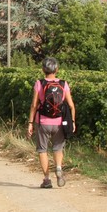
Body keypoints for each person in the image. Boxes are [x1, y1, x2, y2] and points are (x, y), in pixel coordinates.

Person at [27, 57, 77, 188]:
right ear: (57, 69)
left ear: (43, 69)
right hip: (59, 122)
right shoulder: (63, 84)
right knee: (58, 148)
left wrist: (30, 123)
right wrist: (72, 121)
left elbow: (34, 105)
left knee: (42, 150)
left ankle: (47, 179)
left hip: (42, 122)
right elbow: (71, 105)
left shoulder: (39, 83)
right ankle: (58, 168)